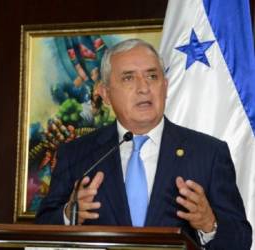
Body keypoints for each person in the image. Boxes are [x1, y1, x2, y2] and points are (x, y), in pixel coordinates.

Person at [35, 39, 252, 249]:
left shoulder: (208, 153)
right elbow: (41, 230)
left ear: (165, 86)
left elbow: (240, 239)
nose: (144, 88)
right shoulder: (77, 154)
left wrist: (209, 225)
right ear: (105, 94)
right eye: (128, 78)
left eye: (152, 76)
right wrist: (68, 214)